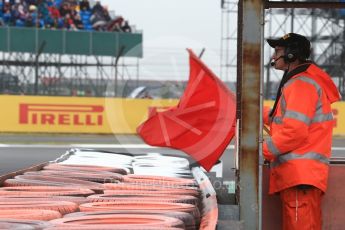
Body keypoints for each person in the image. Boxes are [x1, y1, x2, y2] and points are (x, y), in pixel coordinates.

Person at [263, 33, 341, 230]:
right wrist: (255, 112)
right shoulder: (301, 82)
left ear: (292, 54)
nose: (273, 57)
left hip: (299, 176)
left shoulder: (300, 84)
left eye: (277, 51)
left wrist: (262, 149)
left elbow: (294, 132)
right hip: (302, 176)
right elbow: (283, 121)